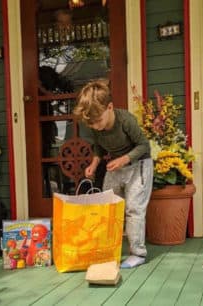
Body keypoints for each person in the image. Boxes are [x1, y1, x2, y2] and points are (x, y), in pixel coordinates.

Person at [73, 80, 153, 268]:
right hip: (116, 165)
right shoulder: (95, 125)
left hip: (139, 163)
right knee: (107, 206)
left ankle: (138, 253)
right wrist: (94, 163)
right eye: (91, 124)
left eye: (98, 121)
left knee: (134, 208)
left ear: (110, 107)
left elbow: (144, 145)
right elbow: (99, 147)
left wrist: (125, 159)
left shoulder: (126, 120)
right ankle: (109, 249)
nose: (96, 127)